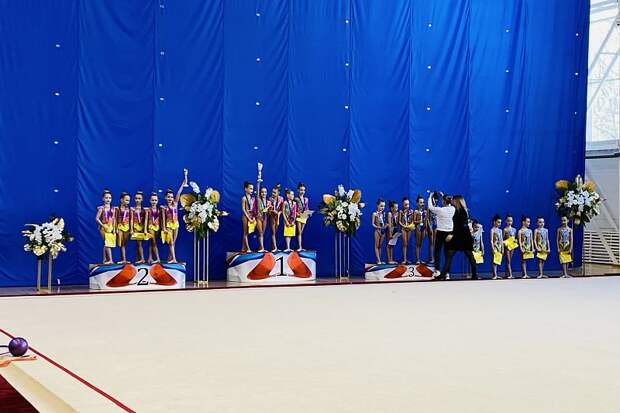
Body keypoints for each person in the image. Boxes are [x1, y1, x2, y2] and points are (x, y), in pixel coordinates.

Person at [440, 195, 477, 280]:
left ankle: (474, 274)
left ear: (457, 201)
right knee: (450, 254)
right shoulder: (457, 210)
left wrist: (452, 234)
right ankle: (443, 274)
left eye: (453, 200)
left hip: (463, 237)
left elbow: (460, 225)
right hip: (459, 236)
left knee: (469, 255)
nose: (452, 201)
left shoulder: (462, 211)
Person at [428, 192, 455, 276]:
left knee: (437, 252)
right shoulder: (453, 209)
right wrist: (443, 196)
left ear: (443, 201)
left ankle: (437, 271)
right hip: (450, 233)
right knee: (447, 253)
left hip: (441, 232)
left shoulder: (440, 210)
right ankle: (447, 273)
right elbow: (448, 203)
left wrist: (430, 196)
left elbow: (430, 207)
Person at [161, 178, 186, 263]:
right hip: (168, 225)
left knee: (173, 242)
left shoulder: (175, 204)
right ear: (165, 197)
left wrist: (183, 184)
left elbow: (179, 193)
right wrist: (164, 228)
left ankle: (169, 257)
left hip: (176, 224)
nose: (170, 198)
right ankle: (174, 259)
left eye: (171, 197)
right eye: (168, 197)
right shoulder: (164, 208)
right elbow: (163, 218)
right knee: (171, 242)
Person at [95, 189, 115, 264]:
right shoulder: (101, 208)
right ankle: (110, 260)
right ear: (103, 199)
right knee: (107, 243)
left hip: (110, 227)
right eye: (106, 198)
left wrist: (114, 228)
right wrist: (103, 225)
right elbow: (97, 218)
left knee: (106, 244)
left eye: (110, 198)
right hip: (103, 227)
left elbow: (113, 219)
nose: (108, 199)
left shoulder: (113, 209)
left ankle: (104, 259)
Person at [130, 191, 147, 264]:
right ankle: (140, 259)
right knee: (138, 244)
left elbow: (146, 220)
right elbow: (131, 219)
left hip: (142, 228)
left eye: (139, 198)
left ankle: (141, 258)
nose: (137, 200)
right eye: (136, 198)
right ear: (134, 199)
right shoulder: (132, 209)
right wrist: (131, 229)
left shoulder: (144, 210)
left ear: (142, 199)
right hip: (135, 227)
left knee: (139, 244)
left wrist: (145, 229)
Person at [254, 182, 271, 253]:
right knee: (260, 233)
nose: (264, 193)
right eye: (262, 192)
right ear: (260, 193)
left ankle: (260, 247)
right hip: (259, 217)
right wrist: (258, 183)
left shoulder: (268, 201)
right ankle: (262, 248)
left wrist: (269, 210)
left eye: (265, 192)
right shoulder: (258, 199)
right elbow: (257, 192)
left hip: (265, 218)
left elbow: (269, 213)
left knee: (262, 234)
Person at [116, 192, 131, 263]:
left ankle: (124, 259)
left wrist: (131, 228)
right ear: (121, 200)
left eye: (129, 200)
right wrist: (116, 228)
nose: (128, 202)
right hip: (120, 227)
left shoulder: (129, 209)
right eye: (126, 200)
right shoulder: (117, 209)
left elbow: (131, 219)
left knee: (124, 244)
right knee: (120, 243)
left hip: (127, 227)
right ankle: (122, 259)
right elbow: (115, 219)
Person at [241, 181, 256, 252]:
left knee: (247, 232)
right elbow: (243, 209)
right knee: (245, 232)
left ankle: (243, 248)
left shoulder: (252, 198)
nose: (252, 190)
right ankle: (248, 248)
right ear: (245, 189)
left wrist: (253, 217)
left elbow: (253, 208)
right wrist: (248, 218)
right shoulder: (244, 198)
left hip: (251, 216)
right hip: (245, 216)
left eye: (252, 189)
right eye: (250, 188)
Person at [146, 192, 161, 264]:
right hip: (150, 227)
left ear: (157, 201)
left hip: (157, 227)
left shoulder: (159, 210)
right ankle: (158, 258)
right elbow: (146, 220)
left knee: (152, 243)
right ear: (150, 201)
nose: (154, 202)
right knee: (154, 242)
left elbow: (160, 219)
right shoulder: (148, 210)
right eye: (152, 200)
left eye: (155, 200)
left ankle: (150, 257)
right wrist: (145, 230)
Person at [268, 184, 284, 252]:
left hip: (278, 216)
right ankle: (275, 248)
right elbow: (268, 209)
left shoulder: (281, 199)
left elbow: (282, 209)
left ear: (278, 193)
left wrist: (278, 213)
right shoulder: (270, 199)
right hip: (272, 216)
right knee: (273, 232)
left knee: (275, 232)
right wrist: (272, 211)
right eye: (272, 192)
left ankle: (273, 247)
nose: (273, 194)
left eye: (274, 192)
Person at [399, 197, 414, 264]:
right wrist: (403, 226)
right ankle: (404, 259)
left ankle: (407, 259)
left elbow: (413, 220)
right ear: (403, 204)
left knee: (407, 243)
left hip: (409, 228)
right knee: (405, 243)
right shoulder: (401, 211)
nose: (407, 206)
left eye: (408, 204)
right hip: (403, 228)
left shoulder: (411, 211)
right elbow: (399, 221)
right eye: (405, 204)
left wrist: (410, 225)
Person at [295, 182, 310, 251]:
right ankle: (299, 247)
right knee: (299, 232)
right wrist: (296, 213)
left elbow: (307, 208)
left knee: (301, 232)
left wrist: (308, 213)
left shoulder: (306, 199)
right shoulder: (296, 199)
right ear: (298, 190)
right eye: (301, 190)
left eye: (304, 190)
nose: (302, 192)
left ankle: (300, 246)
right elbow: (293, 208)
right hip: (298, 217)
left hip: (304, 217)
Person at [413, 195, 428, 264]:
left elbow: (426, 220)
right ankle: (417, 260)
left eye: (423, 202)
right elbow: (414, 221)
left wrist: (426, 229)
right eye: (421, 202)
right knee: (417, 244)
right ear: (417, 203)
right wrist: (419, 221)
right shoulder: (415, 211)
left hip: (423, 228)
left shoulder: (425, 211)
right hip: (418, 227)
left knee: (421, 244)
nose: (422, 204)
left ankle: (420, 259)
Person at [371, 198, 387, 264]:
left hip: (383, 231)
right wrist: (378, 227)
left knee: (380, 246)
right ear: (377, 205)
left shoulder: (384, 214)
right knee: (376, 246)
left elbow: (384, 222)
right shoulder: (374, 214)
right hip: (377, 231)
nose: (382, 207)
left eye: (384, 206)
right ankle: (378, 260)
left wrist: (386, 225)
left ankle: (379, 260)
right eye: (381, 206)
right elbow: (372, 224)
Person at [502, 214, 517, 279]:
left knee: (509, 261)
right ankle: (510, 274)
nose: (509, 222)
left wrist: (516, 240)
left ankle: (506, 274)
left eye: (511, 221)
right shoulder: (505, 230)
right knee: (508, 260)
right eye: (508, 221)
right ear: (506, 221)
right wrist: (504, 243)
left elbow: (515, 238)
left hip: (512, 246)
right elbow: (502, 239)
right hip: (507, 247)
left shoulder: (514, 229)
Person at [490, 214, 504, 279]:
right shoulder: (492, 230)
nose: (499, 224)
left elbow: (501, 240)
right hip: (495, 247)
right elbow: (491, 240)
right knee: (494, 261)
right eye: (498, 222)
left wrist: (502, 248)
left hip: (499, 247)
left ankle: (496, 274)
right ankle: (494, 275)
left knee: (497, 261)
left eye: (500, 222)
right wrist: (492, 248)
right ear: (494, 222)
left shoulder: (500, 230)